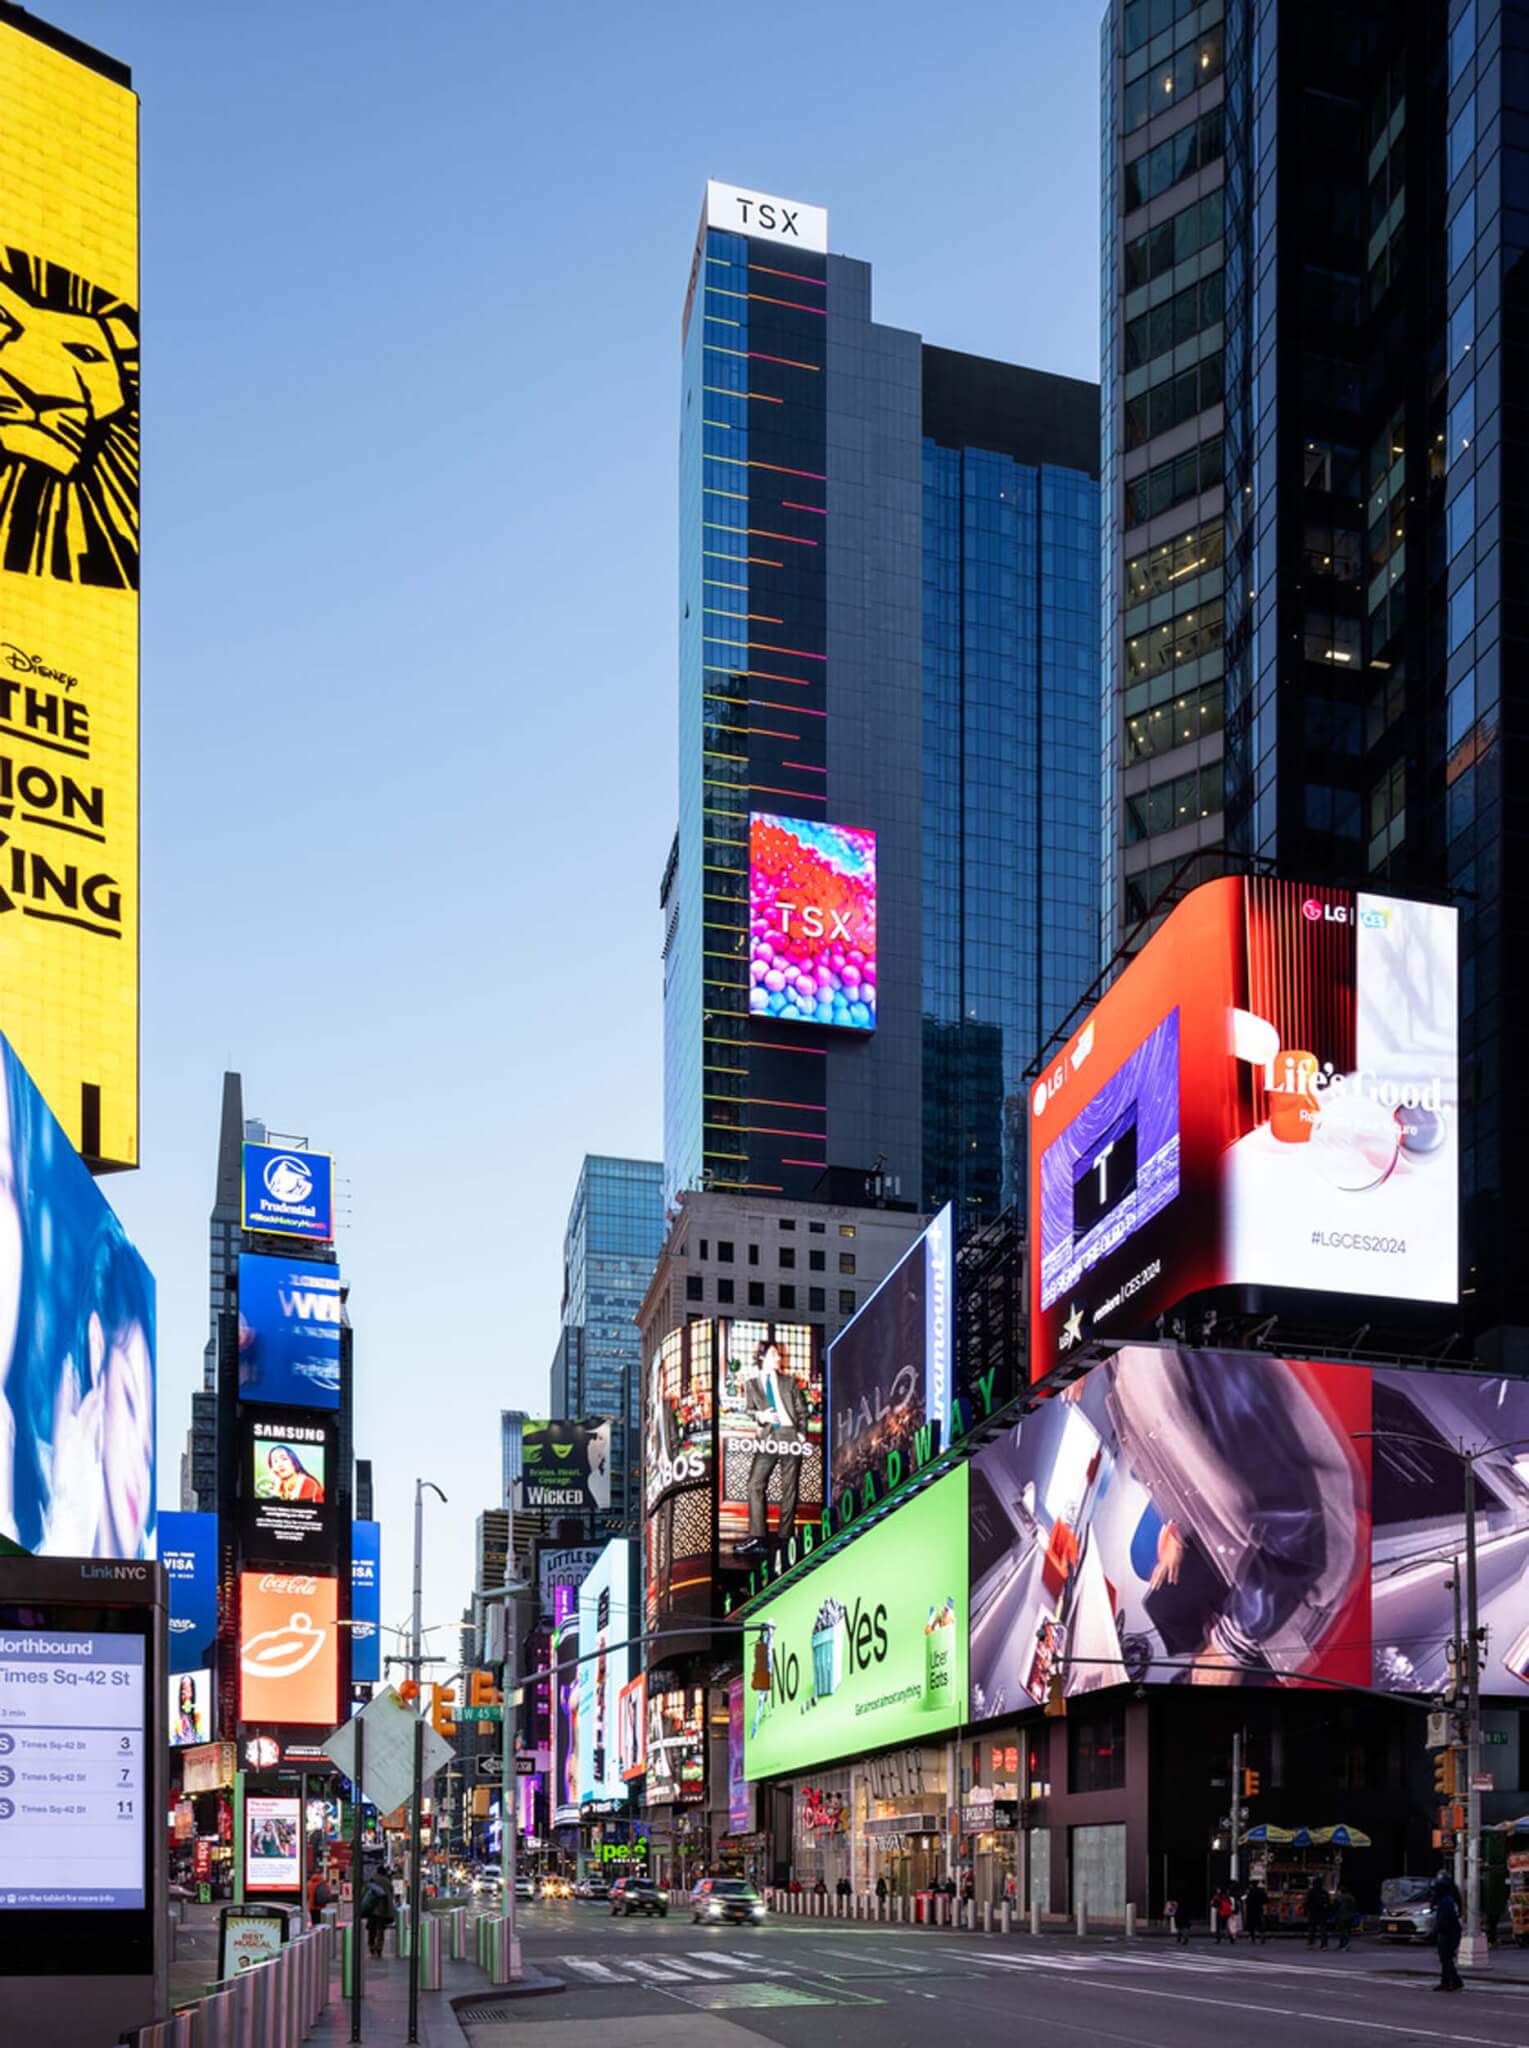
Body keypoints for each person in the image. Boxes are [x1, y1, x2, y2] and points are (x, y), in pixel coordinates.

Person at [736, 1337, 812, 1558]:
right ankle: (758, 1537)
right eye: (773, 1354)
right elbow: (749, 1410)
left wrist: (801, 1434)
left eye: (778, 1354)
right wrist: (760, 1415)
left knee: (790, 1488)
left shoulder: (789, 1382)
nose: (778, 1358)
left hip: (790, 1435)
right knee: (754, 1484)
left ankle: (784, 1538)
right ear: (762, 1357)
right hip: (769, 1436)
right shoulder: (752, 1384)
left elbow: (802, 1411)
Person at [1433, 1872, 1464, 1992]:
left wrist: (1438, 1930)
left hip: (1448, 1933)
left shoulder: (1445, 1902)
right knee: (1446, 1959)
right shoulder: (1450, 1899)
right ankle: (1448, 1982)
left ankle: (1453, 1981)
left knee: (1446, 1958)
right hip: (1451, 1931)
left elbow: (1444, 1919)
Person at [359, 1870, 396, 1959]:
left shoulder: (371, 1880)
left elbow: (363, 1893)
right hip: (383, 1911)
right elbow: (391, 1895)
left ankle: (371, 1946)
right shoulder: (388, 1882)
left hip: (372, 1909)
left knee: (371, 1929)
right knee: (380, 1929)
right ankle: (379, 1947)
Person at [1305, 1875, 1330, 1950]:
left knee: (1312, 1929)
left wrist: (1307, 1910)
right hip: (1322, 1913)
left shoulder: (1311, 1891)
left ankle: (1311, 1944)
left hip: (1313, 1912)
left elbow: (1307, 1902)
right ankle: (1324, 1945)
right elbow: (1328, 1903)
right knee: (1323, 1929)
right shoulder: (1324, 1892)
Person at [1243, 1878, 1268, 1945]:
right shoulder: (1261, 1891)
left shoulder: (1250, 1891)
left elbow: (1247, 1900)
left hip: (1251, 1909)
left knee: (1251, 1924)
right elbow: (1265, 1900)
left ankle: (1252, 1937)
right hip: (1259, 1908)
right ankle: (1262, 1935)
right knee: (1260, 1922)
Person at [1333, 1887, 1357, 1951]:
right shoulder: (1352, 1898)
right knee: (1348, 1930)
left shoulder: (1339, 1898)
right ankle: (1346, 1944)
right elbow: (1354, 1907)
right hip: (1350, 1916)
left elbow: (1335, 1907)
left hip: (1342, 1916)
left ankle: (1342, 1945)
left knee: (1342, 1931)